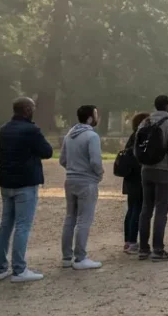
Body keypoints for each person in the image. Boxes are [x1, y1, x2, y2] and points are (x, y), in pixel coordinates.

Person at [0, 97, 52, 283]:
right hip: (26, 181)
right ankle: (19, 269)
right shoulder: (31, 130)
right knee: (22, 226)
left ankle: (1, 267)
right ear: (27, 110)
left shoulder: (4, 129)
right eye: (32, 108)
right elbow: (47, 151)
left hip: (7, 180)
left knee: (5, 225)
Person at [60, 104, 104, 269]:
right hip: (87, 181)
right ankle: (80, 258)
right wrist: (99, 174)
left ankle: (66, 257)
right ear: (90, 118)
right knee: (84, 219)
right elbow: (95, 161)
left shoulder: (69, 135)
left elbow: (62, 160)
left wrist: (73, 169)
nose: (97, 117)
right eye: (96, 114)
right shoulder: (92, 136)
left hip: (70, 179)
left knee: (70, 218)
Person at [138, 95, 168, 261]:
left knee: (146, 210)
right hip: (165, 170)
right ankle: (158, 249)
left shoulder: (145, 121)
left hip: (146, 169)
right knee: (161, 211)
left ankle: (143, 248)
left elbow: (137, 145)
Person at [121, 112, 148, 254]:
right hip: (138, 178)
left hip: (129, 178)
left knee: (131, 209)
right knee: (137, 210)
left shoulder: (132, 137)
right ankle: (132, 242)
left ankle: (128, 241)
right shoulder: (140, 137)